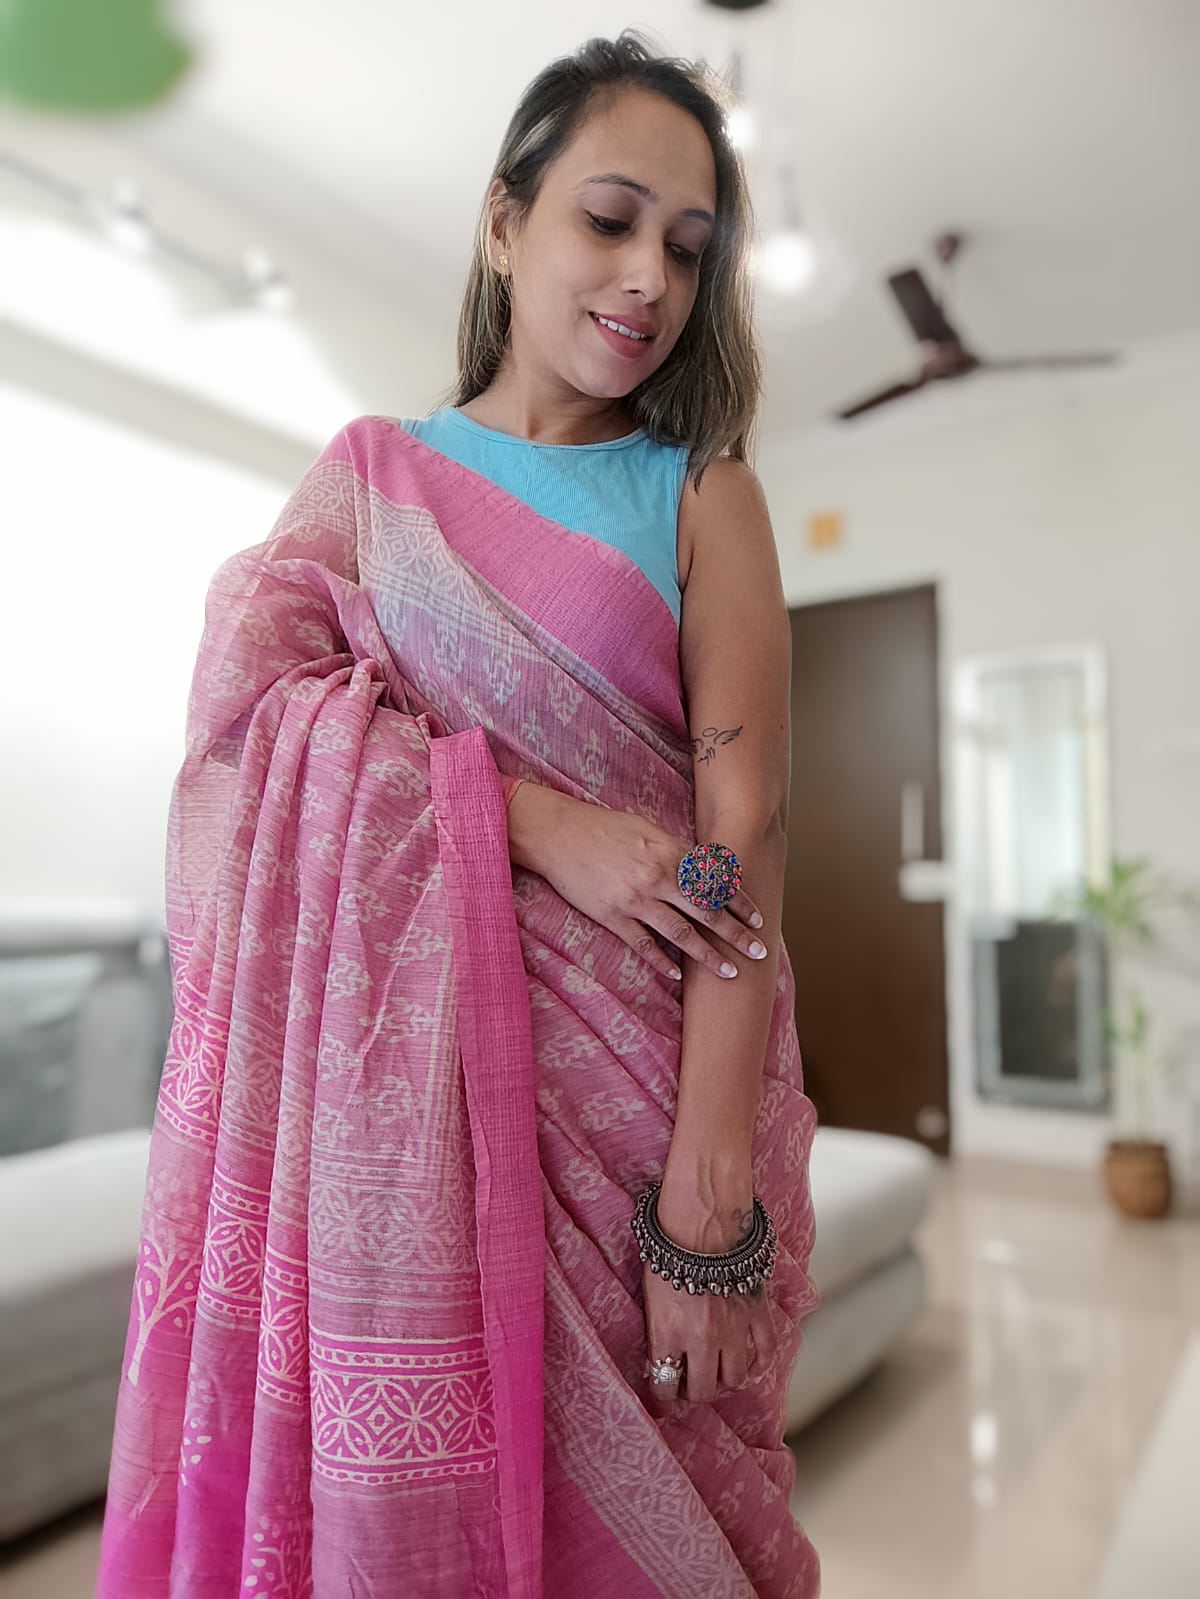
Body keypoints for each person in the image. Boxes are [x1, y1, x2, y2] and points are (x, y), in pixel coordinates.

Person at [97, 28, 820, 1599]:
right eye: (609, 220)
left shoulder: (706, 494)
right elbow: (246, 731)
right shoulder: (374, 482)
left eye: (688, 249)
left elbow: (745, 835)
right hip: (398, 1143)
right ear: (506, 219)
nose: (648, 279)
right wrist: (535, 819)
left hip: (643, 1129)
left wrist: (706, 1206)